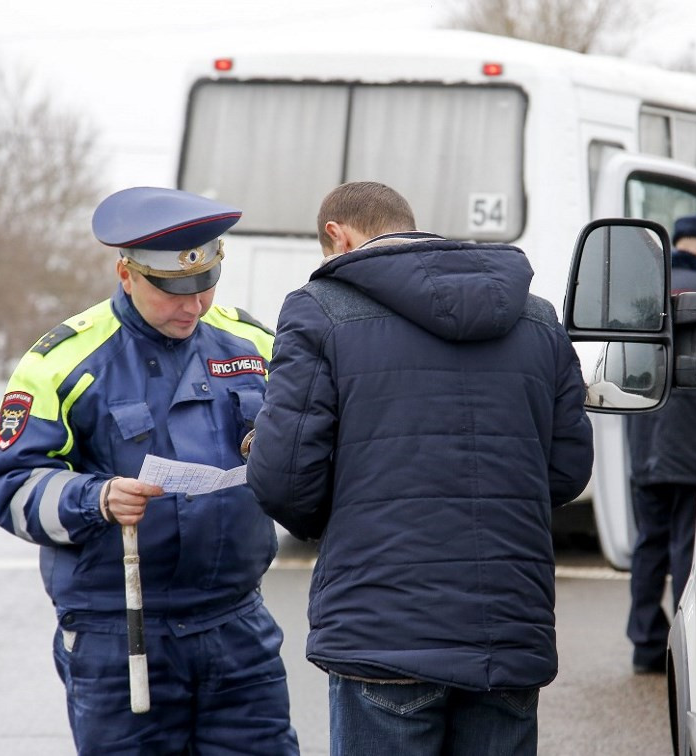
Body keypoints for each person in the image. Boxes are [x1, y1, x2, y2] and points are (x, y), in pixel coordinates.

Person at [244, 181, 594, 756]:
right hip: (505, 629)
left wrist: (335, 518)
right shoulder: (536, 318)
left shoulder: (319, 310)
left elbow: (283, 476)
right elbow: (566, 471)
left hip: (382, 624)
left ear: (338, 235)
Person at [0, 186, 299, 755]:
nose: (193, 306)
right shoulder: (62, 361)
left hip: (236, 626)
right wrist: (95, 499)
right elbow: (12, 485)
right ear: (127, 274)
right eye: (173, 291)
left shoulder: (254, 345)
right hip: (120, 632)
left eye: (206, 286)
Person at [624, 213, 696, 674]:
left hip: (643, 436)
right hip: (690, 443)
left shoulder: (645, 289)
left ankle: (645, 646)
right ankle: (681, 648)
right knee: (686, 545)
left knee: (648, 543)